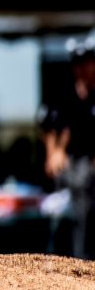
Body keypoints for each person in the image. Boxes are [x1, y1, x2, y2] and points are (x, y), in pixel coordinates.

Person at [41, 35, 95, 260]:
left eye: (86, 62)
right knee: (61, 210)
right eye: (77, 63)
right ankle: (60, 262)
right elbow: (52, 126)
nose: (81, 68)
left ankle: (84, 260)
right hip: (73, 167)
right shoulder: (67, 92)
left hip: (89, 169)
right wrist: (53, 152)